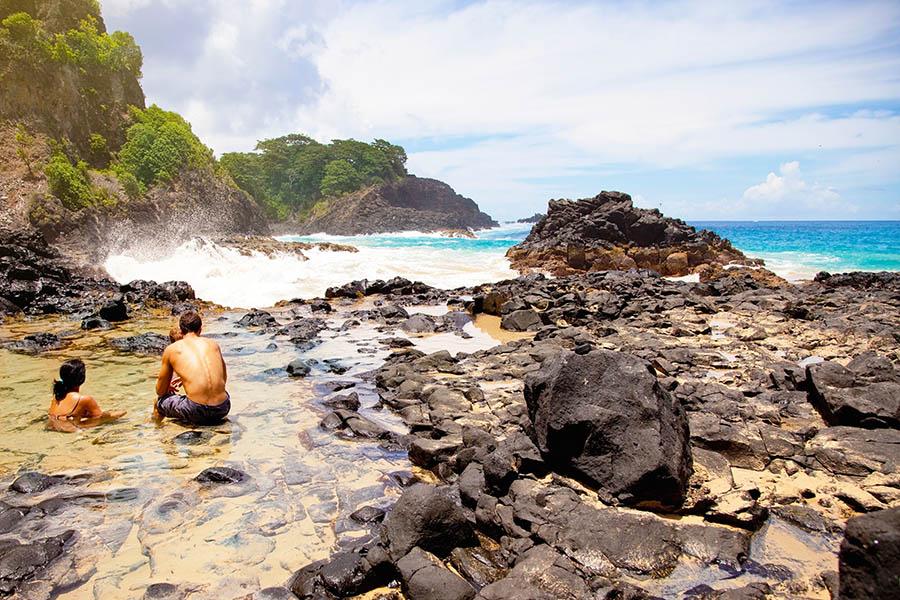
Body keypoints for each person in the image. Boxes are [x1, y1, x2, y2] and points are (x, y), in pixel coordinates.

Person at [154, 311, 230, 425]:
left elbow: (160, 391)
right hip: (223, 407)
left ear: (181, 330)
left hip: (195, 411)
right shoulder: (213, 344)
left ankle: (156, 431)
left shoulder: (171, 349)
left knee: (158, 402)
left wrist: (169, 385)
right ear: (200, 329)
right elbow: (223, 379)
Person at [48, 359, 126, 429]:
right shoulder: (85, 399)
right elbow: (99, 418)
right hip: (71, 429)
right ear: (82, 379)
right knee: (121, 413)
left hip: (51, 426)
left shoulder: (57, 395)